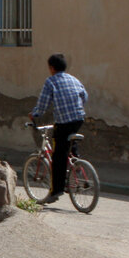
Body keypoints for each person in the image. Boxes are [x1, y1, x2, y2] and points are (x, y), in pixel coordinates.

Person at [29, 53, 88, 204]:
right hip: (79, 118)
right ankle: (77, 165)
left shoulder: (51, 82)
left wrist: (34, 114)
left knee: (58, 157)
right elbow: (84, 96)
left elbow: (43, 104)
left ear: (52, 68)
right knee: (70, 143)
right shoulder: (73, 79)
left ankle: (56, 191)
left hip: (64, 122)